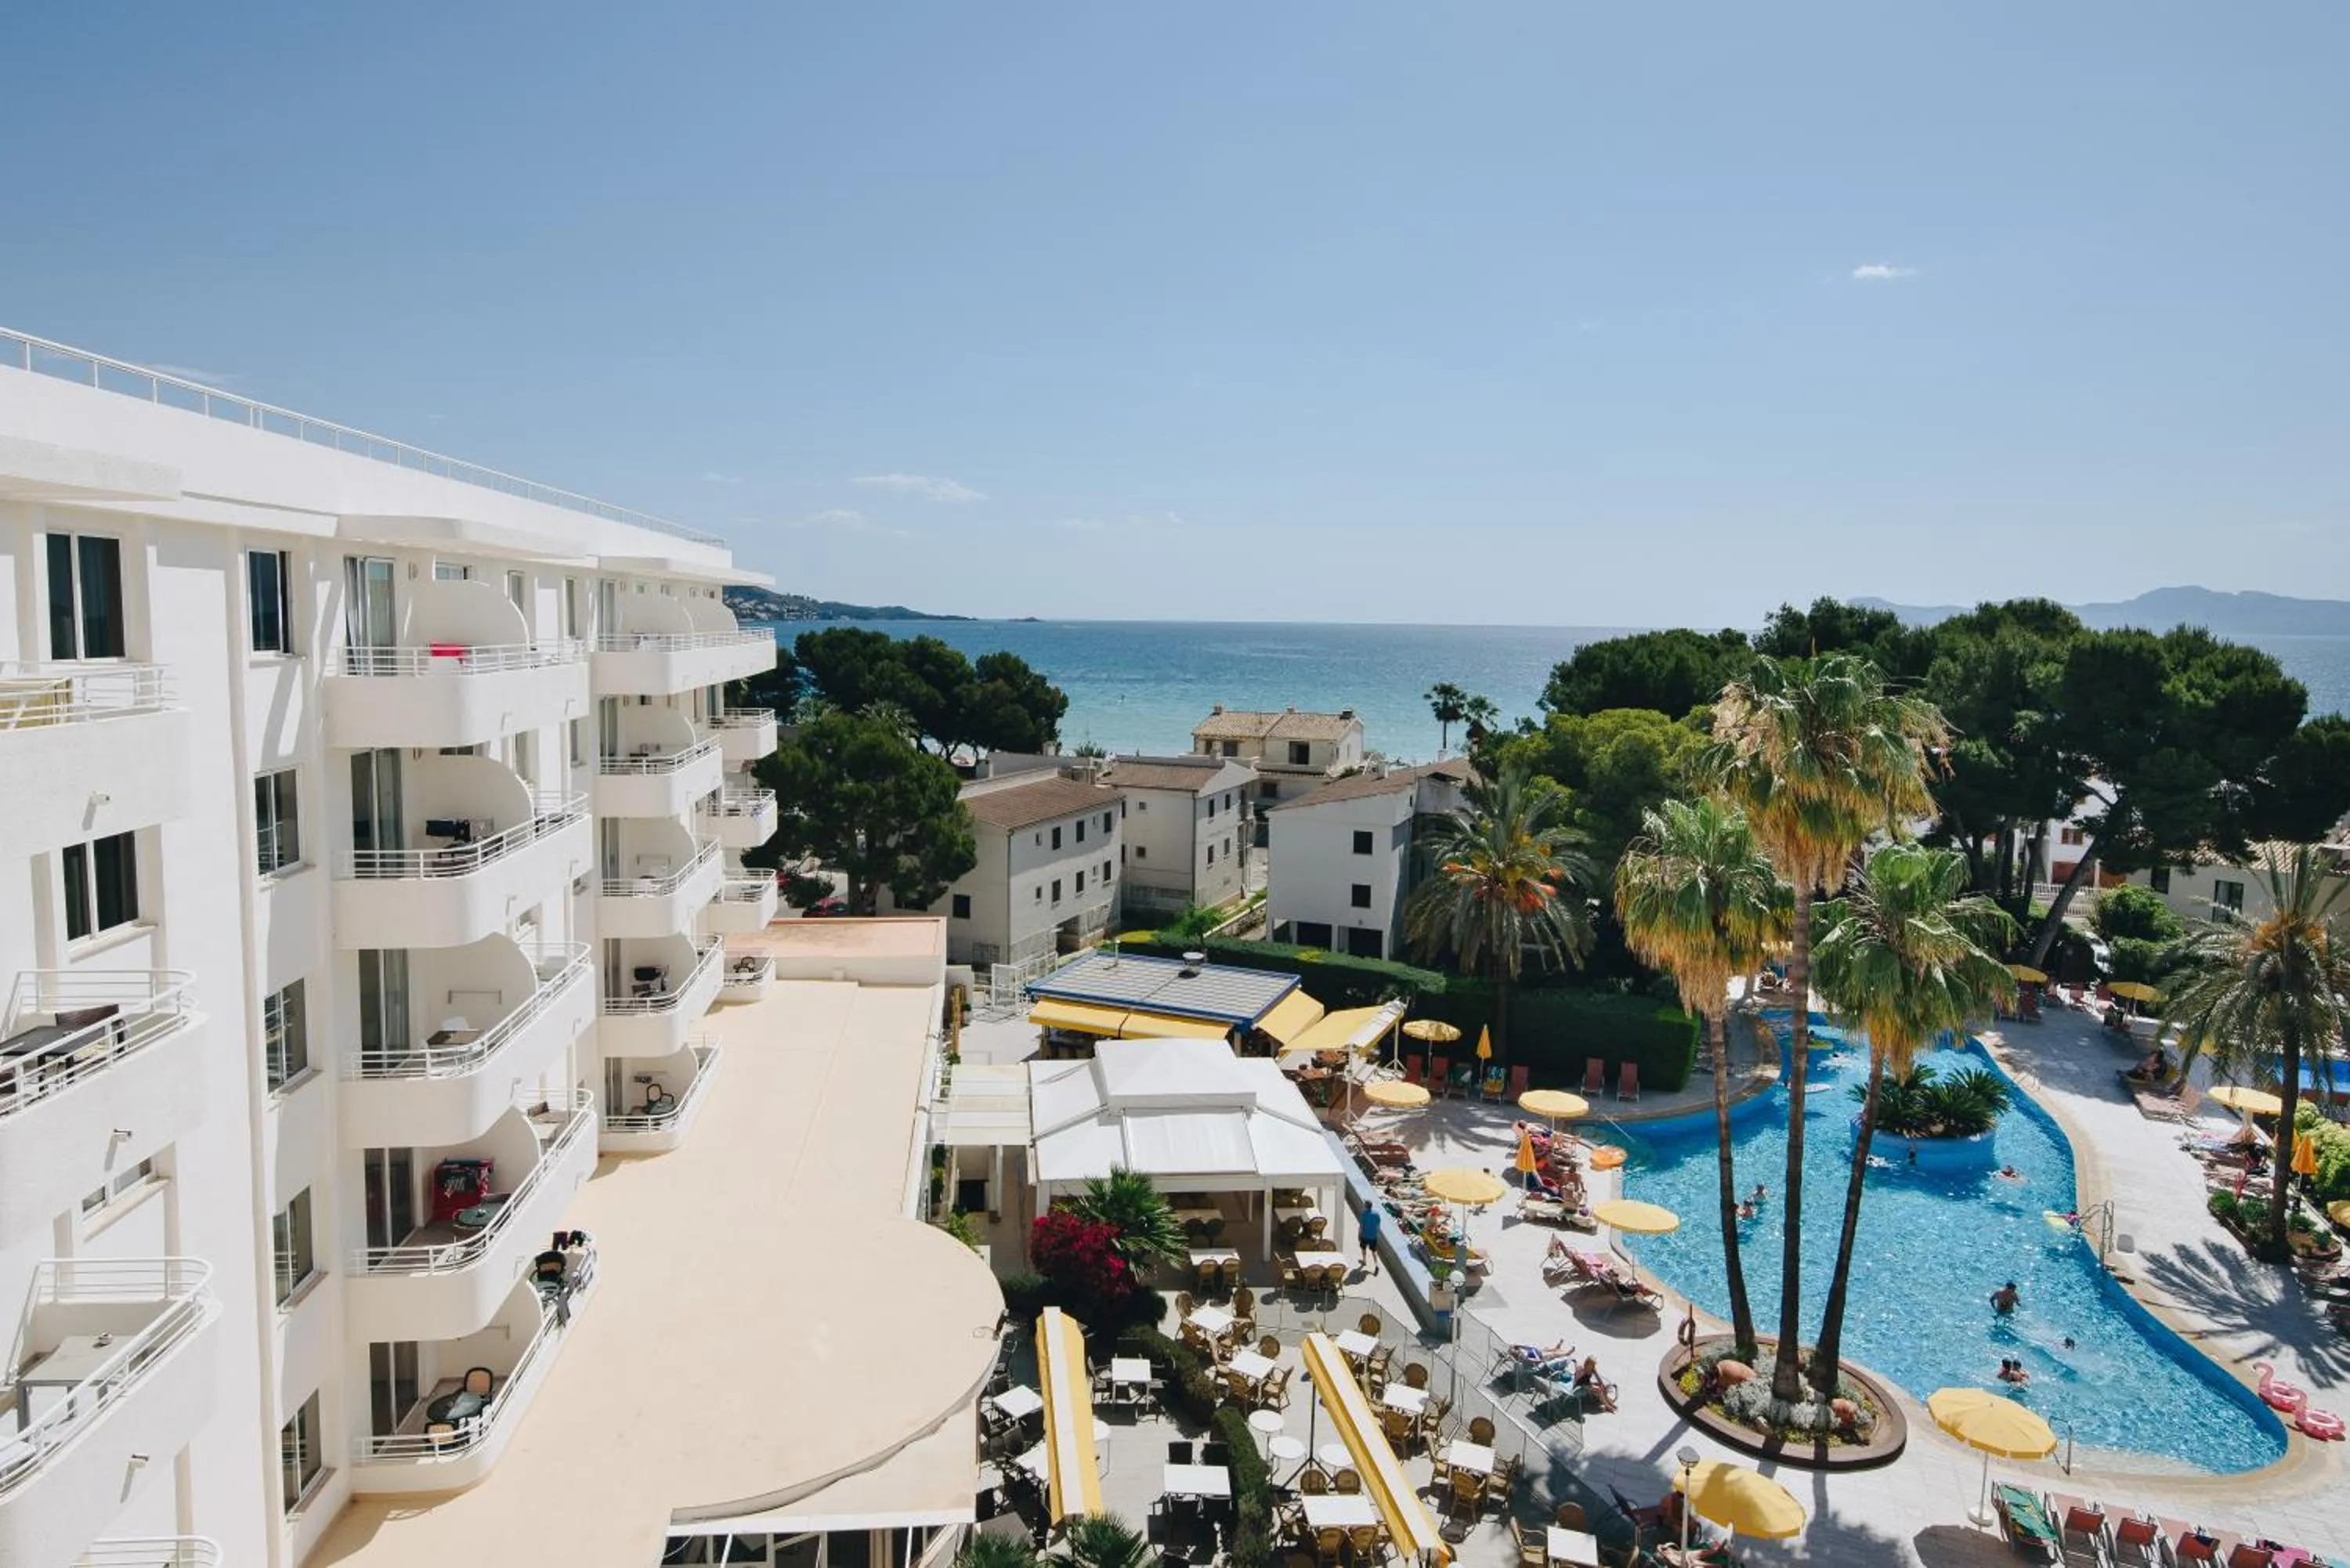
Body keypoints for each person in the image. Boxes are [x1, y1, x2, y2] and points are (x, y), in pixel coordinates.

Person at [1357, 1199, 1383, 1274]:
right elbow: (1378, 1226)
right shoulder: (1377, 1214)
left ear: (1366, 1206)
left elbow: (1361, 1226)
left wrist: (1359, 1234)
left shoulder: (1364, 1214)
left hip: (1365, 1235)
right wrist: (1376, 1234)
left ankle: (1364, 1261)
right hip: (1373, 1236)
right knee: (1374, 1251)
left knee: (1363, 1248)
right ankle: (1377, 1265)